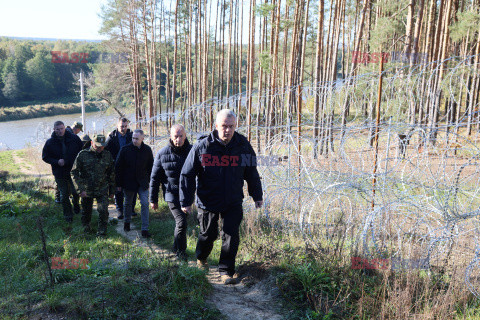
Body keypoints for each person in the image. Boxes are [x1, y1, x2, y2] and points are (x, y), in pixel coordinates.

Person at [180, 109, 263, 284]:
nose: (227, 130)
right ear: (216, 126)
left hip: (233, 199)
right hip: (208, 200)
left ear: (235, 126)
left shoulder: (242, 145)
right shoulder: (203, 146)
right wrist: (186, 201)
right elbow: (187, 174)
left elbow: (252, 172)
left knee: (231, 235)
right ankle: (201, 258)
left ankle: (226, 271)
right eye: (224, 126)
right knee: (208, 234)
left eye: (231, 126)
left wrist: (257, 195)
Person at [150, 124, 192, 260]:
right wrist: (153, 199)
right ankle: (181, 252)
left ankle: (175, 248)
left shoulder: (192, 151)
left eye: (181, 136)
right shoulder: (162, 154)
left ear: (185, 136)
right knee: (181, 222)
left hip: (187, 195)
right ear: (171, 136)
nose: (178, 139)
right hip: (171, 193)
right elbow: (155, 178)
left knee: (183, 222)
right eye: (175, 136)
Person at [71, 134, 115, 236]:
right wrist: (80, 189)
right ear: (92, 143)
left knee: (103, 210)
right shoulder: (83, 155)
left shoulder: (107, 155)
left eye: (102, 146)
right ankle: (86, 230)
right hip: (87, 190)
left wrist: (112, 191)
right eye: (97, 146)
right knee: (86, 213)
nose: (100, 148)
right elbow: (74, 172)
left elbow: (111, 173)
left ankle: (101, 232)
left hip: (102, 188)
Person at [115, 129, 154, 238]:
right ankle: (127, 222)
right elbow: (118, 167)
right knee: (128, 203)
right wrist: (118, 183)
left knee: (145, 204)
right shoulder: (125, 149)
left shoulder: (147, 150)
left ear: (142, 139)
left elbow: (151, 166)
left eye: (137, 138)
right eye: (133, 138)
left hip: (143, 182)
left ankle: (145, 229)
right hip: (128, 181)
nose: (134, 140)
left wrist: (149, 179)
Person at [42, 121, 83, 223]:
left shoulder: (74, 138)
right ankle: (68, 215)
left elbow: (82, 152)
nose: (60, 131)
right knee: (64, 195)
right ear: (54, 130)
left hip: (74, 171)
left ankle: (76, 204)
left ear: (65, 128)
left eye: (61, 129)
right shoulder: (50, 142)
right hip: (59, 172)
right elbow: (45, 157)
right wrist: (56, 161)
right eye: (57, 129)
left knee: (75, 191)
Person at [105, 117, 135, 219]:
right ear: (117, 125)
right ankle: (119, 210)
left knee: (131, 187)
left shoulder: (131, 136)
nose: (124, 128)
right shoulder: (111, 137)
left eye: (126, 126)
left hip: (129, 166)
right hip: (116, 166)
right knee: (118, 188)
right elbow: (106, 152)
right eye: (122, 126)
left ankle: (131, 209)